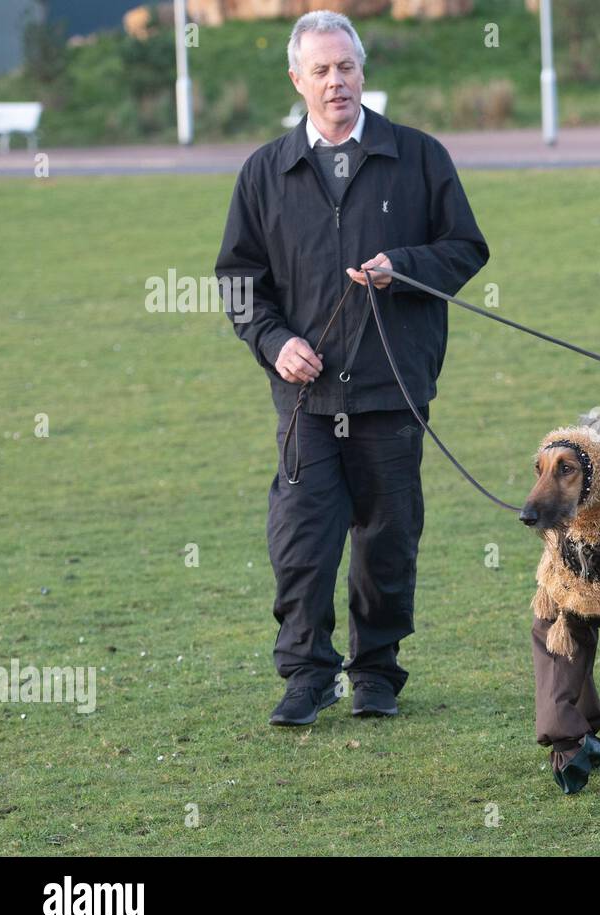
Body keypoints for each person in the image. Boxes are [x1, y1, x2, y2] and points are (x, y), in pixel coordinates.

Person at [215, 11, 489, 725]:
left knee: (387, 542)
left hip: (392, 389)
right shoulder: (265, 173)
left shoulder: (419, 156)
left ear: (363, 71)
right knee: (302, 542)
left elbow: (466, 248)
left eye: (346, 67)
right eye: (321, 70)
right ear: (297, 80)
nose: (336, 82)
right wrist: (274, 342)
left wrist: (406, 266)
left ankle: (376, 674)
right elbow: (240, 281)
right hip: (306, 399)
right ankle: (307, 676)